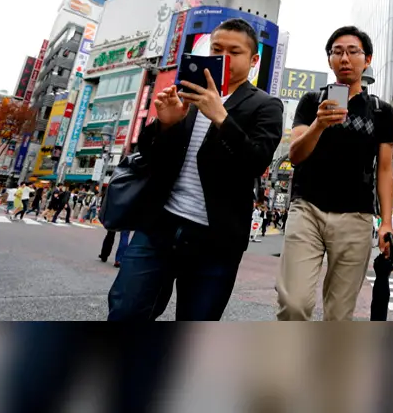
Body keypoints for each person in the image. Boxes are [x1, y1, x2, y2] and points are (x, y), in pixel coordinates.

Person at [106, 18, 283, 321]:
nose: (223, 56)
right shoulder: (186, 91)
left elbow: (256, 161)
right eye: (217, 48)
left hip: (216, 239)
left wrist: (221, 118)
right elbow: (150, 154)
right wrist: (166, 123)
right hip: (160, 225)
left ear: (254, 60)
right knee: (126, 310)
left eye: (235, 51)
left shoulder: (265, 105)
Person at [275, 26, 393, 321]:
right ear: (329, 60)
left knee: (339, 314)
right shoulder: (311, 101)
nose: (345, 58)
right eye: (337, 52)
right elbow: (295, 155)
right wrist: (319, 124)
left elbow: (384, 169)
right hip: (307, 209)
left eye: (353, 51)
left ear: (367, 59)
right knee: (295, 304)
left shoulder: (381, 111)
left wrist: (386, 222)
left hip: (356, 216)